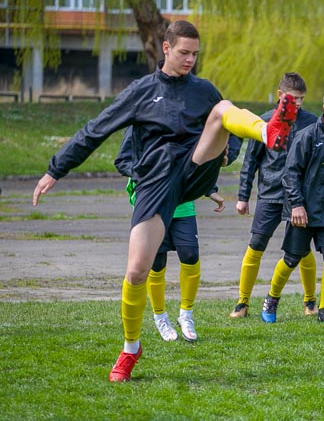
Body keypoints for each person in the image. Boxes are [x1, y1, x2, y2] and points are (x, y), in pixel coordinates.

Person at [32, 20, 298, 382]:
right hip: (156, 183)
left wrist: (226, 155)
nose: (190, 60)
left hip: (195, 167)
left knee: (222, 109)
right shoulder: (141, 91)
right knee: (137, 270)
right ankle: (130, 349)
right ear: (166, 48)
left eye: (195, 54)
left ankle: (270, 130)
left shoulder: (203, 90)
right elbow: (95, 130)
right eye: (184, 53)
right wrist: (55, 170)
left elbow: (230, 135)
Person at [115, 130, 242, 342]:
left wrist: (209, 188)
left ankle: (186, 314)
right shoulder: (142, 121)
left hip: (182, 203)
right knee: (156, 263)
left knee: (190, 254)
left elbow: (193, 161)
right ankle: (160, 316)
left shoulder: (184, 120)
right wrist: (149, 174)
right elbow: (123, 160)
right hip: (151, 202)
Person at [259, 88, 324, 325]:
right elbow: (290, 174)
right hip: (302, 211)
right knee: (291, 259)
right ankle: (271, 299)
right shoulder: (307, 135)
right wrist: (297, 206)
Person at [230, 72, 319, 319]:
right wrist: (243, 196)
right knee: (256, 244)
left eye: (301, 98)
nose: (298, 103)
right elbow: (250, 162)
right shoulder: (264, 122)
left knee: (302, 249)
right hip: (269, 194)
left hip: (299, 199)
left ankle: (310, 301)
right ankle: (242, 302)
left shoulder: (312, 124)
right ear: (280, 96)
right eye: (293, 98)